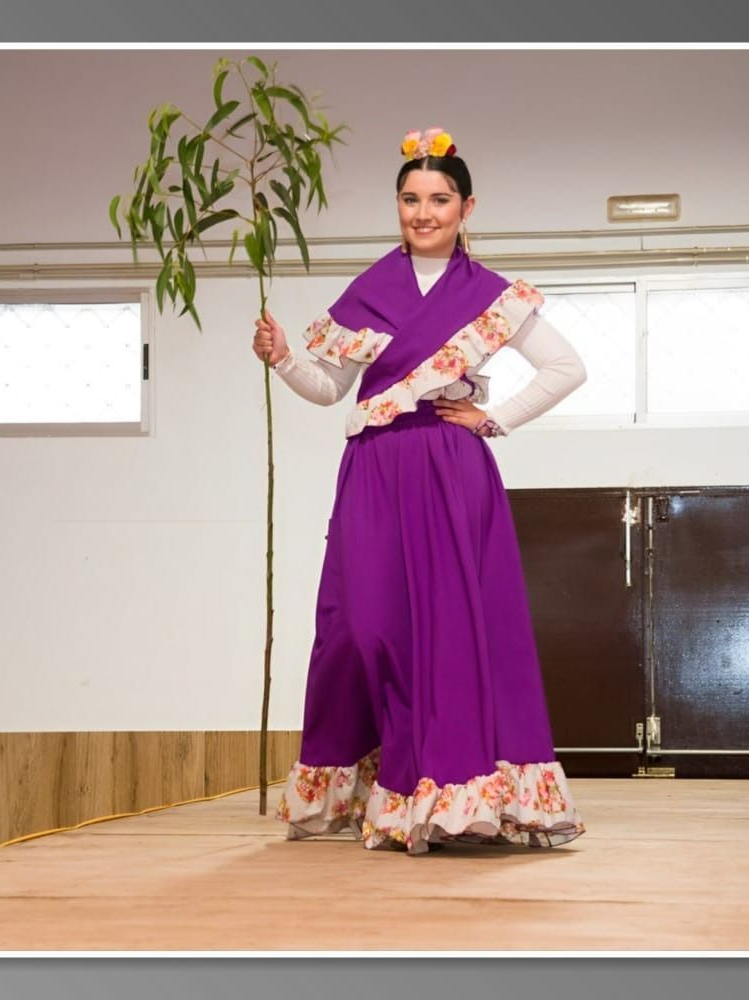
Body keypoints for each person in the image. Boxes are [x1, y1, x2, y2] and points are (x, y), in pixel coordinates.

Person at [256, 128, 587, 855]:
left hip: (448, 466)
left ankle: (451, 795)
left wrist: (490, 419)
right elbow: (327, 387)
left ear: (468, 207)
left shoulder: (491, 296)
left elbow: (566, 369)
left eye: (439, 199)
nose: (423, 211)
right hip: (374, 468)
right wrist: (283, 359)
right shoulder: (368, 291)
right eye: (410, 198)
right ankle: (381, 781)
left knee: (451, 625)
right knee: (364, 625)